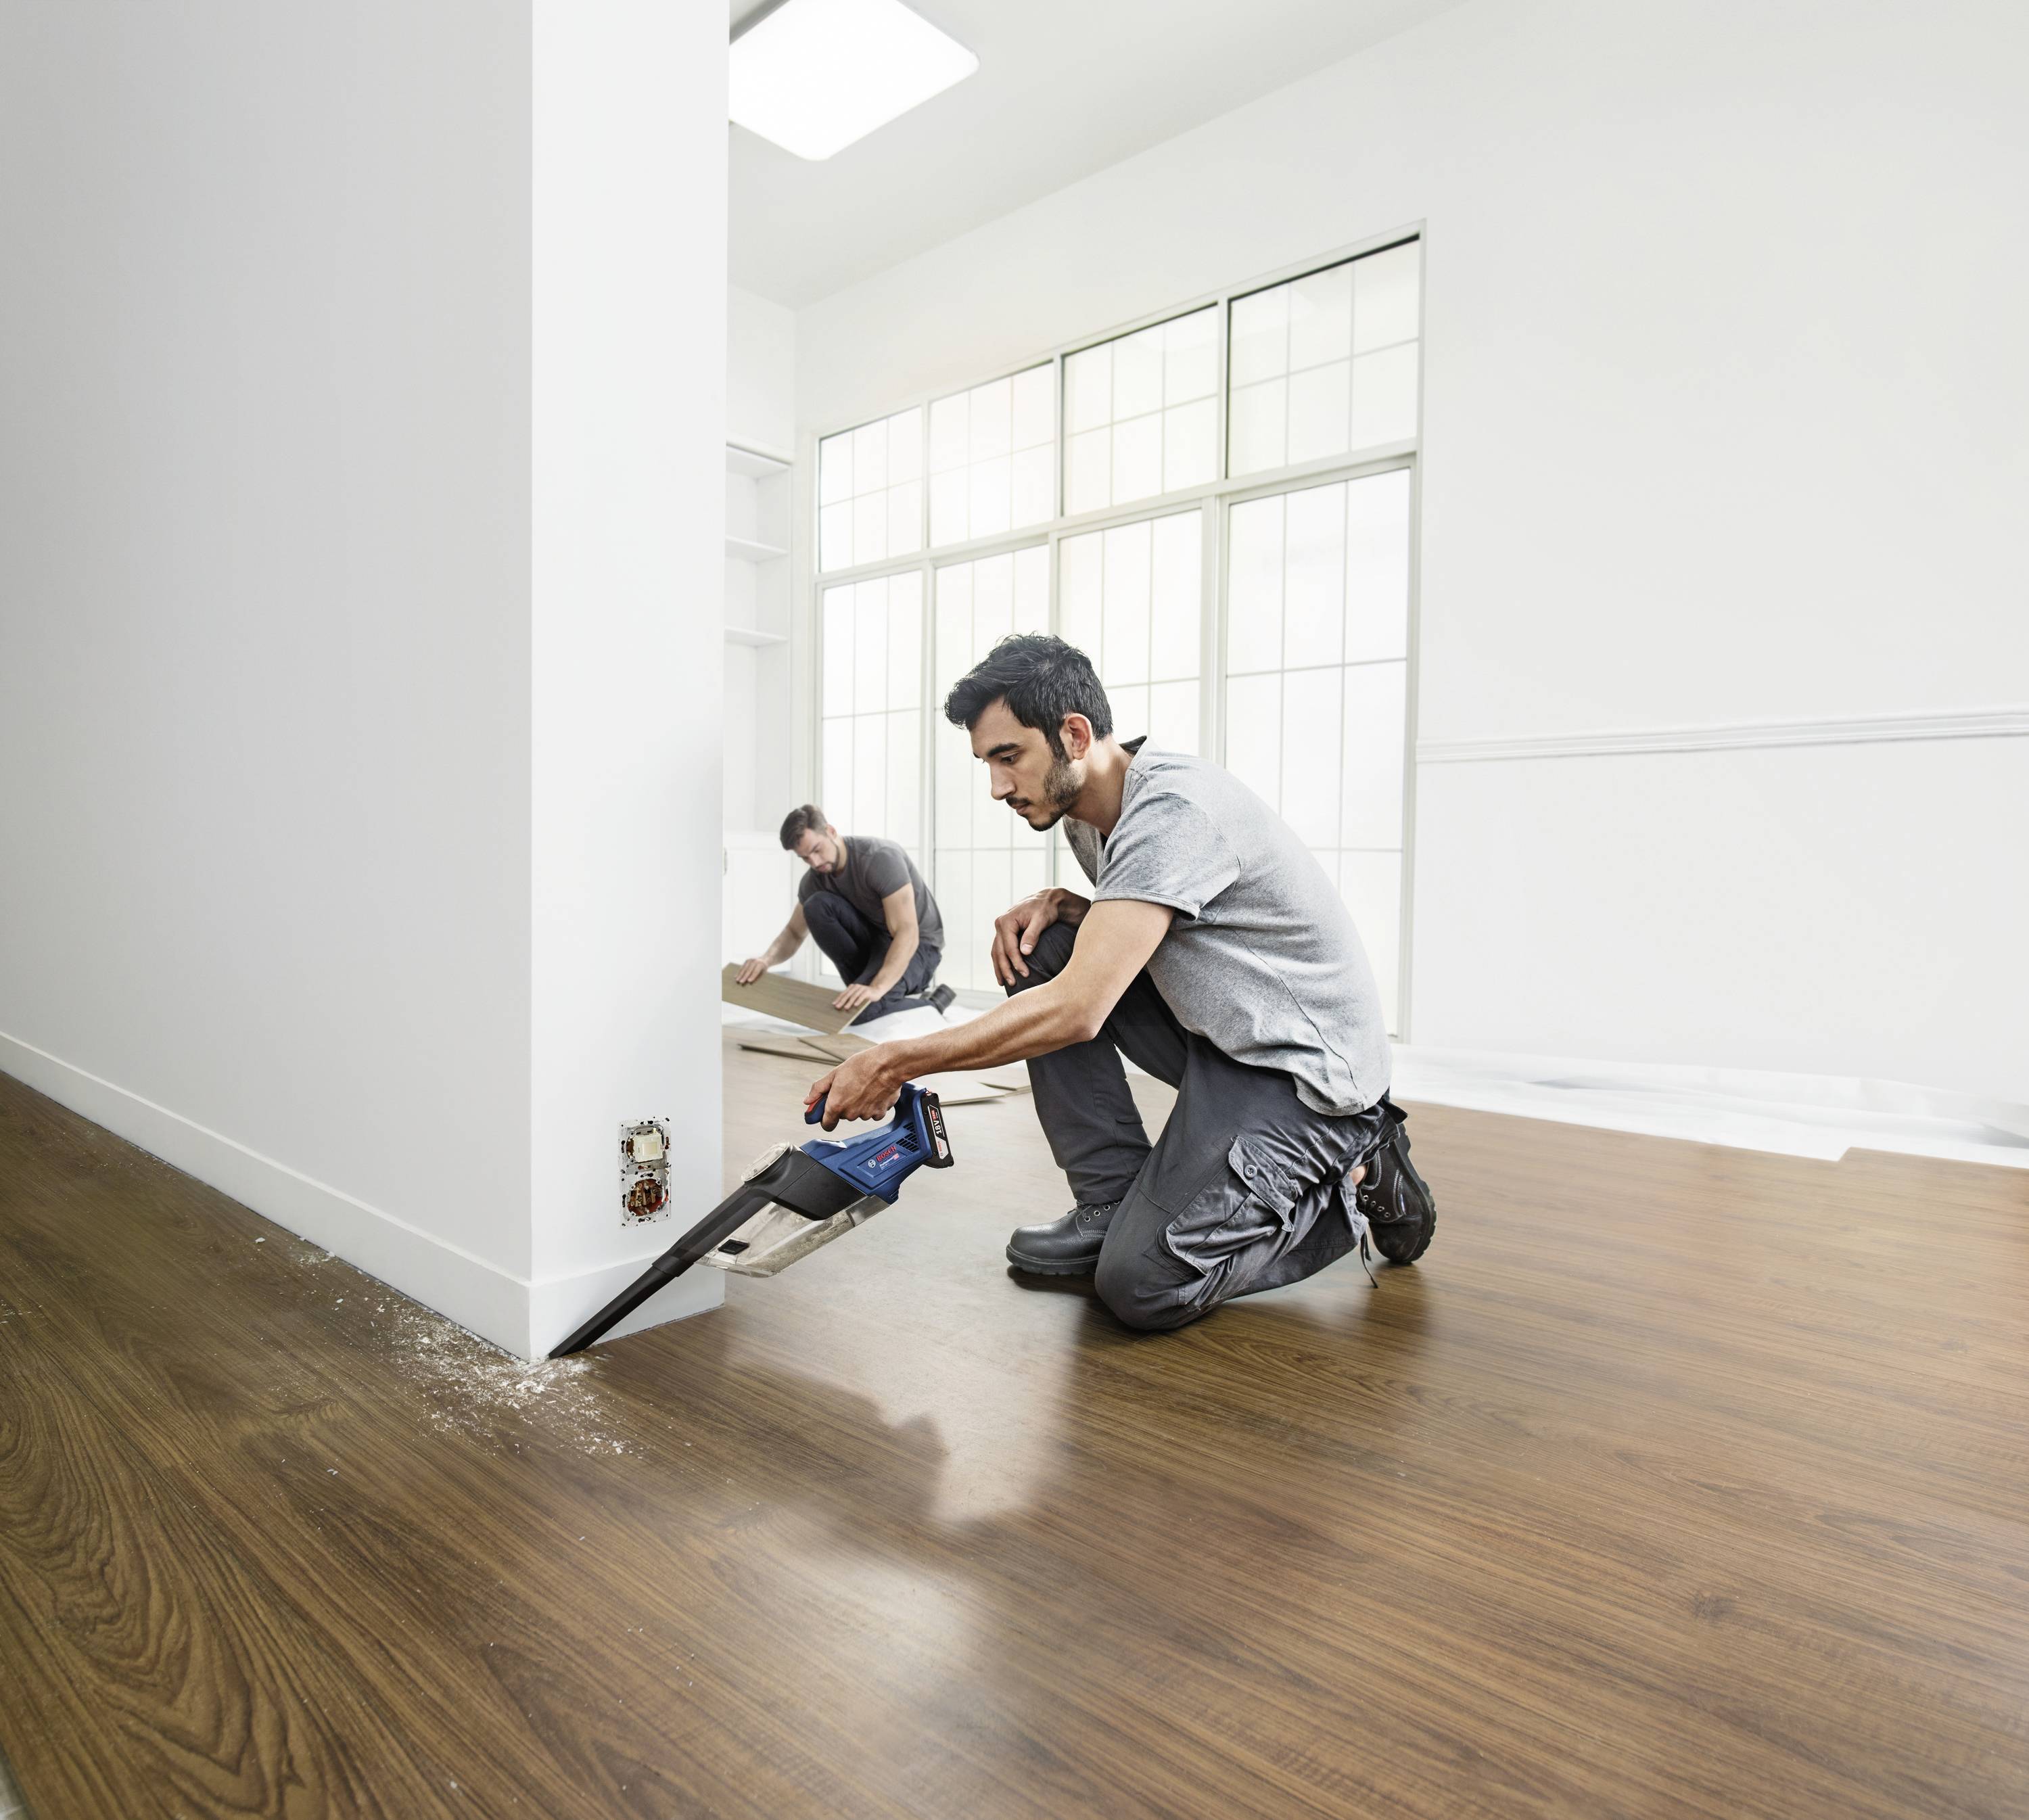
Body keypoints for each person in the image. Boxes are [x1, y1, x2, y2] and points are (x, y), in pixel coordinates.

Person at [805, 634, 1436, 1333]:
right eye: (988, 764)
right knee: (1040, 948)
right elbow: (1166, 924)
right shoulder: (1090, 817)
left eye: (1009, 758)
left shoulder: (1173, 811)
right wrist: (1077, 908)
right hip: (1229, 1038)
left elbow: (1080, 1010)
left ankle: (1353, 1173)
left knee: (1142, 1285)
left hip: (1305, 1078)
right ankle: (1111, 1200)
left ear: (1074, 734)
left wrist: (894, 1060)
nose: (998, 787)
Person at [735, 806, 956, 1023]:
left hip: (920, 948)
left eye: (817, 850)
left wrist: (878, 987)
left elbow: (907, 932)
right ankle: (865, 989)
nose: (815, 863)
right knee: (816, 905)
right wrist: (765, 960)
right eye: (805, 858)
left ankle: (932, 1004)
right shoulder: (815, 879)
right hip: (876, 946)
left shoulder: (879, 858)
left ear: (831, 831)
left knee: (860, 1011)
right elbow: (794, 932)